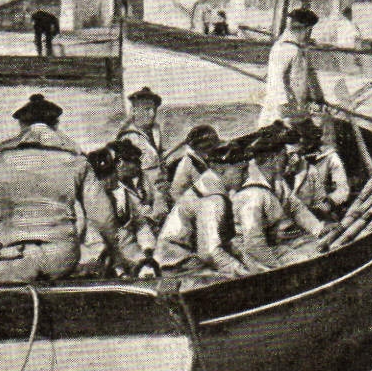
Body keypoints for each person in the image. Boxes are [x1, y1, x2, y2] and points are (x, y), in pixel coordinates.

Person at [0, 93, 118, 282]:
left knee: (6, 280)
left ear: (22, 124)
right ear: (55, 124)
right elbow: (102, 215)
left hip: (15, 255)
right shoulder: (75, 158)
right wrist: (115, 249)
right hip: (61, 256)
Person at [154, 140, 254, 279]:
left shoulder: (210, 185)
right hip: (178, 265)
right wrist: (243, 271)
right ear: (221, 170)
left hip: (184, 258)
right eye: (242, 170)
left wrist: (248, 260)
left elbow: (224, 240)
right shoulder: (213, 199)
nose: (247, 176)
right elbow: (209, 252)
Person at [233, 128, 327, 271]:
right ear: (273, 159)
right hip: (249, 253)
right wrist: (278, 268)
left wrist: (318, 230)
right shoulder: (252, 193)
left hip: (271, 245)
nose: (288, 161)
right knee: (305, 263)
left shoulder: (276, 181)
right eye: (284, 156)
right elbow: (253, 243)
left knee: (317, 250)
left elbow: (295, 208)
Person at [86, 146, 157, 277]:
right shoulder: (88, 204)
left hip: (133, 255)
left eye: (111, 173)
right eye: (102, 177)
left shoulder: (124, 195)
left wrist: (147, 248)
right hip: (103, 260)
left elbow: (140, 224)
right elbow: (92, 239)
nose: (109, 180)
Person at [260, 7, 326, 126]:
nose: (309, 35)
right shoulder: (285, 48)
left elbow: (310, 75)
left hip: (296, 109)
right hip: (281, 113)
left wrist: (319, 98)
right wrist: (283, 104)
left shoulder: (299, 48)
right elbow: (276, 78)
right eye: (309, 30)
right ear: (306, 29)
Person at [118, 86, 172, 212]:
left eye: (154, 110)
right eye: (147, 109)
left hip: (161, 190)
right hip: (143, 197)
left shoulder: (156, 130)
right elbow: (127, 176)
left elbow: (160, 156)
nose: (152, 114)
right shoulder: (129, 137)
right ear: (134, 111)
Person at [287, 117, 350, 220]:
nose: (301, 141)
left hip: (323, 211)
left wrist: (328, 203)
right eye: (299, 138)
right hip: (299, 212)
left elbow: (343, 190)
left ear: (312, 138)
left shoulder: (330, 157)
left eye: (304, 137)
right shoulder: (297, 157)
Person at [168, 124, 221, 202]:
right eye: (211, 148)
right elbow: (208, 189)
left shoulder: (193, 157)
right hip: (185, 202)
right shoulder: (192, 163)